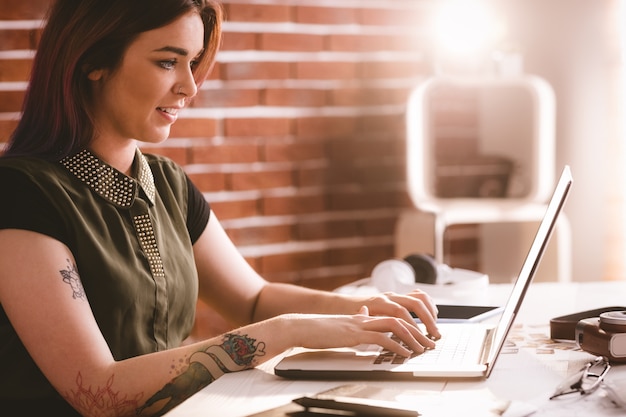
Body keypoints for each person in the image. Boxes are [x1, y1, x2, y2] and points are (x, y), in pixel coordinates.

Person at [0, 0, 440, 416]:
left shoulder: (167, 182)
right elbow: (98, 393)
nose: (189, 86)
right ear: (92, 62)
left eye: (192, 63)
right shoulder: (21, 193)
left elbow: (252, 300)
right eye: (167, 61)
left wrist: (366, 309)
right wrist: (285, 332)